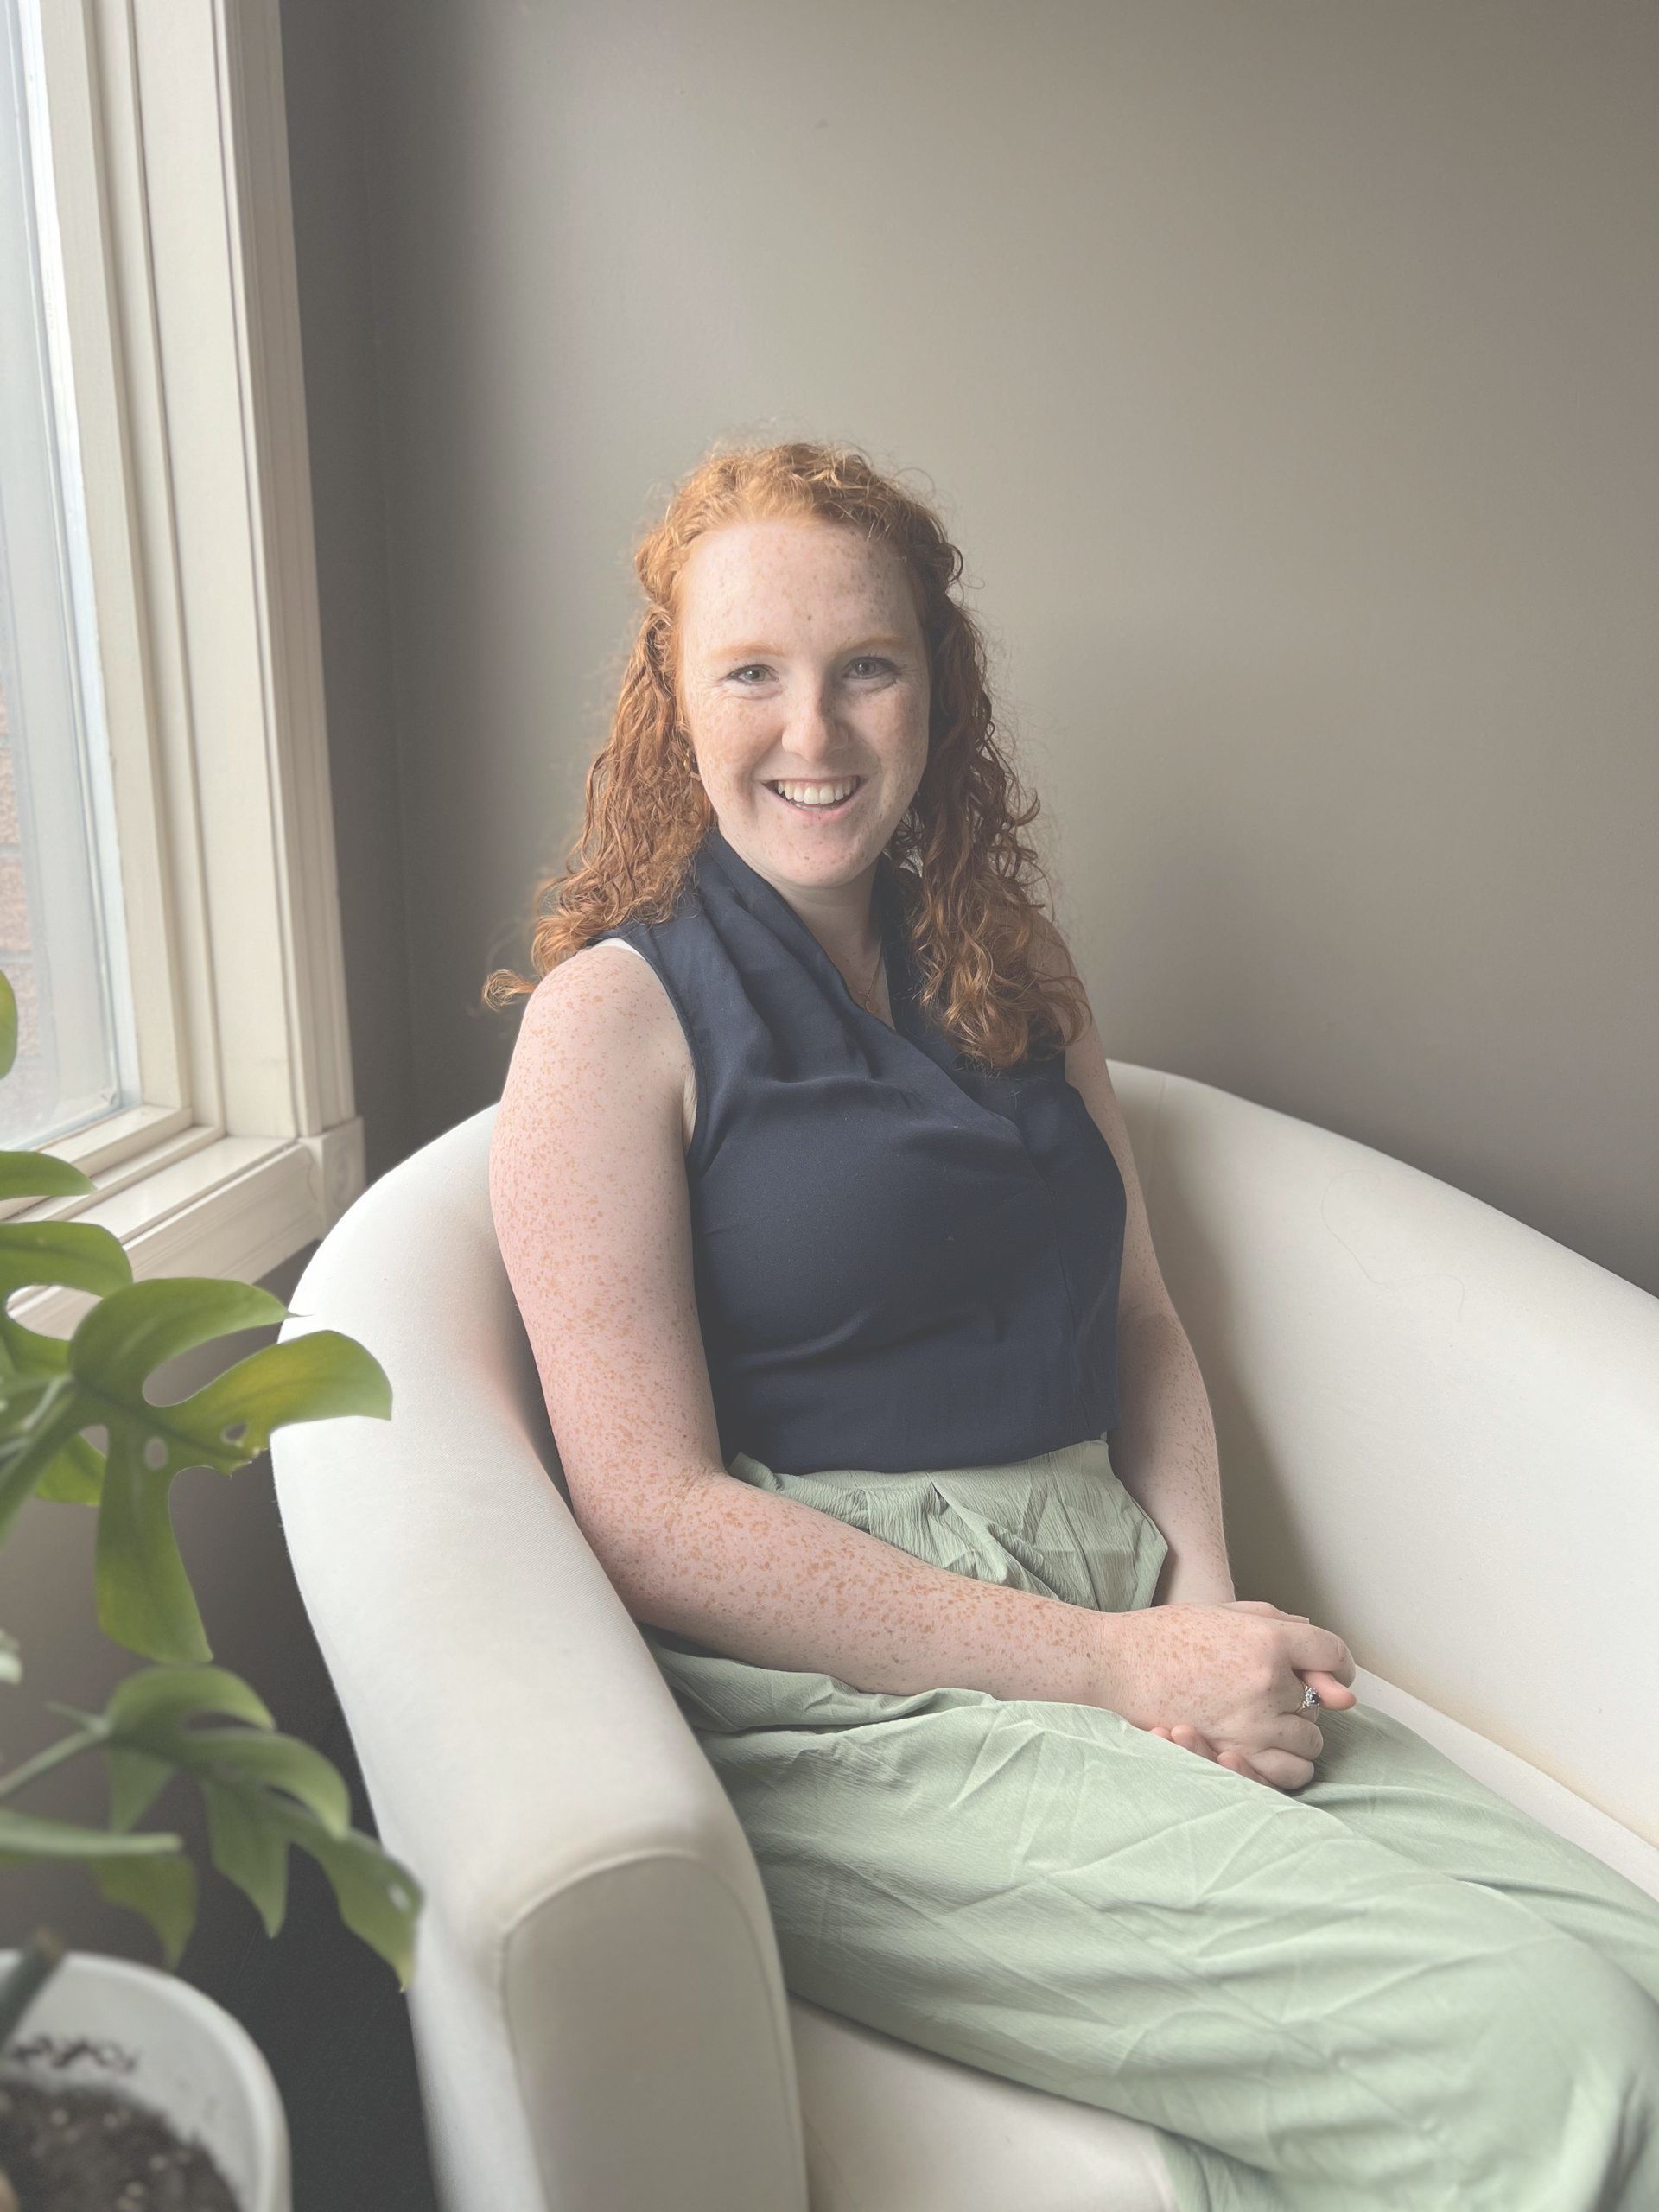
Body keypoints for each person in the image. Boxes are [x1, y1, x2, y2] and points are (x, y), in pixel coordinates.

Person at [485, 438, 1659, 2209]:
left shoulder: (1013, 968)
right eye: (752, 672)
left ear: (938, 685)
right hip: (852, 1700)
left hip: (1112, 1576)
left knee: (1638, 1971)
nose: (814, 730)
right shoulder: (608, 1025)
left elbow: (1145, 1324)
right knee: (1563, 2047)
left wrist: (1195, 1601)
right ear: (673, 693)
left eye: (866, 666)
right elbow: (650, 1516)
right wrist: (1116, 1672)